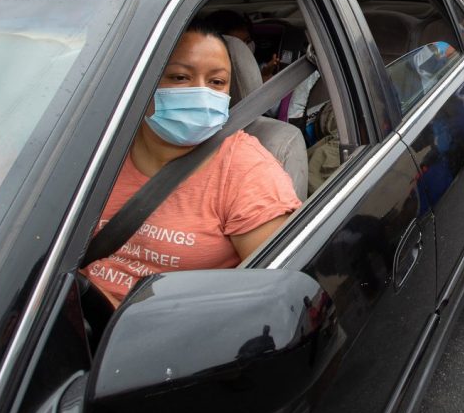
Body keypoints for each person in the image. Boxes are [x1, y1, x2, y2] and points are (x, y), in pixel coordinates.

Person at [83, 21, 302, 306]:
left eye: (216, 82)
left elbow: (273, 295)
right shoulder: (99, 149)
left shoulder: (247, 170)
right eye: (180, 77)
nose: (201, 94)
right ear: (141, 82)